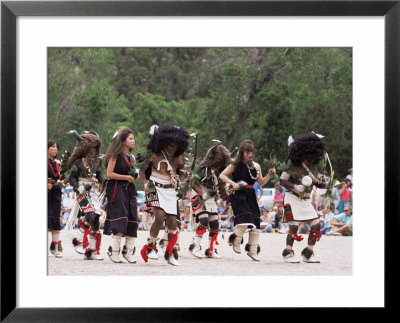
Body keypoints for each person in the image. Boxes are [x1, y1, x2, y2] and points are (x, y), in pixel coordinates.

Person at [139, 124, 190, 266]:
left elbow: (179, 171)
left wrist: (186, 174)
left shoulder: (178, 157)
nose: (173, 148)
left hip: (170, 190)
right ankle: (150, 247)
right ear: (164, 142)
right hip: (154, 187)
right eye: (170, 144)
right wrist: (145, 183)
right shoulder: (155, 154)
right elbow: (142, 171)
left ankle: (171, 252)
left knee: (173, 224)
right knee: (160, 216)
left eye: (176, 145)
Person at [220, 139, 276, 261]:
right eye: (247, 153)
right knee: (246, 219)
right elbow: (222, 175)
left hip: (251, 195)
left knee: (256, 223)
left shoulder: (256, 166)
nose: (250, 155)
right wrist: (232, 182)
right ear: (242, 152)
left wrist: (269, 175)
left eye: (252, 153)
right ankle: (236, 241)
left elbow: (261, 182)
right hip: (238, 194)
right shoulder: (235, 163)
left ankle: (252, 250)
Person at [279, 132, 329, 263]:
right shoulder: (293, 164)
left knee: (316, 225)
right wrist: (295, 187)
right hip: (292, 198)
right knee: (294, 226)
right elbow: (282, 181)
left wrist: (326, 185)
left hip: (305, 201)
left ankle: (308, 253)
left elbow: (315, 182)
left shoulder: (315, 164)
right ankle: (287, 253)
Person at [60, 130, 104, 260]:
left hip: (94, 192)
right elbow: (72, 178)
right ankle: (78, 237)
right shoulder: (78, 162)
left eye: (95, 148)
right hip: (82, 191)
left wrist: (101, 183)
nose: (92, 151)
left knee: (96, 219)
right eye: (90, 148)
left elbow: (100, 176)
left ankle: (91, 251)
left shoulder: (97, 162)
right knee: (90, 214)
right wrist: (79, 188)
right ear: (84, 147)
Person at [103, 127, 140, 264]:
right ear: (123, 141)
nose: (133, 141)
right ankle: (114, 252)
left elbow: (132, 176)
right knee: (120, 219)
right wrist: (126, 178)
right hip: (117, 189)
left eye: (133, 138)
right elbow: (109, 174)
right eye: (130, 139)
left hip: (129, 190)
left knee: (132, 219)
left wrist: (134, 177)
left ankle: (128, 252)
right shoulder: (115, 155)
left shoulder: (132, 157)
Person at [188, 143, 232, 259]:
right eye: (221, 160)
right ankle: (196, 247)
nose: (222, 163)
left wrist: (229, 200)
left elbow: (221, 188)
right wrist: (203, 193)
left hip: (210, 198)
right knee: (204, 220)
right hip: (197, 194)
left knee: (215, 224)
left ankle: (211, 250)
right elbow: (193, 183)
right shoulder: (203, 169)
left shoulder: (219, 172)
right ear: (215, 158)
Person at [48, 140, 64, 257]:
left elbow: (61, 177)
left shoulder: (58, 163)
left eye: (56, 147)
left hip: (56, 193)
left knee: (55, 219)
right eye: (52, 147)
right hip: (46, 193)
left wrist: (62, 181)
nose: (55, 149)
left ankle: (54, 247)